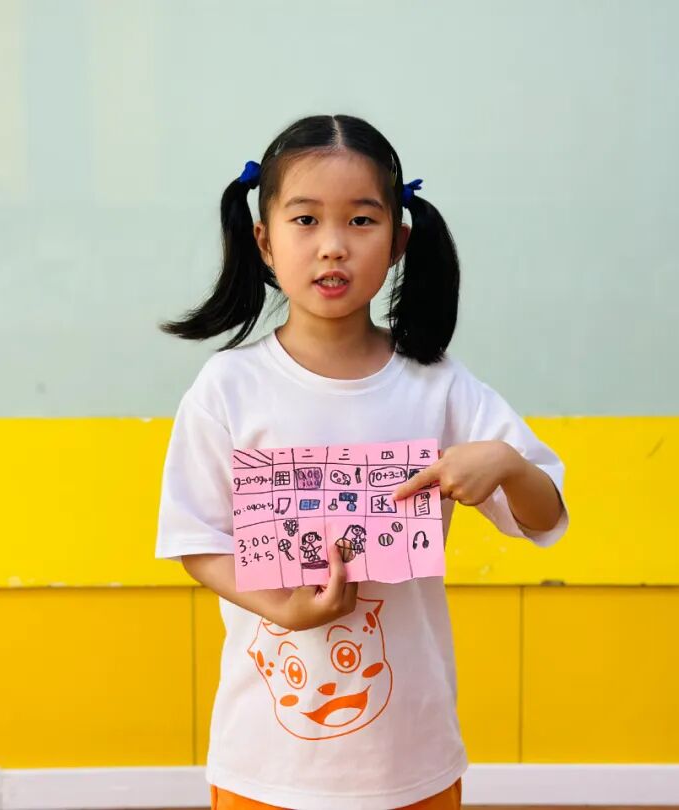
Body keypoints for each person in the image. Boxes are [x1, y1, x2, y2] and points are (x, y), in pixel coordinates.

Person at [155, 114, 568, 810]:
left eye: (361, 221)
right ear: (264, 240)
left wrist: (504, 463)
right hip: (268, 761)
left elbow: (545, 514)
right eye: (306, 220)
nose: (333, 246)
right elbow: (196, 539)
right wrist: (284, 608)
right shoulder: (228, 387)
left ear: (399, 240)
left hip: (411, 757)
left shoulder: (438, 385)